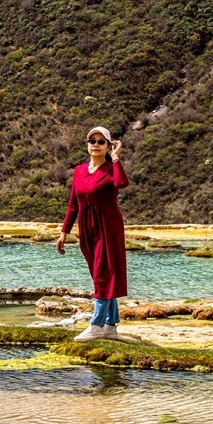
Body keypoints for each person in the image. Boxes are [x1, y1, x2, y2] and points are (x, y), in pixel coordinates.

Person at [56, 126, 129, 341]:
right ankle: (111, 325)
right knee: (101, 273)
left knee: (102, 273)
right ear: (87, 145)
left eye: (101, 141)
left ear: (108, 146)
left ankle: (96, 324)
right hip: (86, 227)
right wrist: (64, 231)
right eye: (92, 141)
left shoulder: (111, 168)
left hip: (108, 226)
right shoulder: (79, 171)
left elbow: (122, 183)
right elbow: (73, 204)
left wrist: (116, 159)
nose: (95, 145)